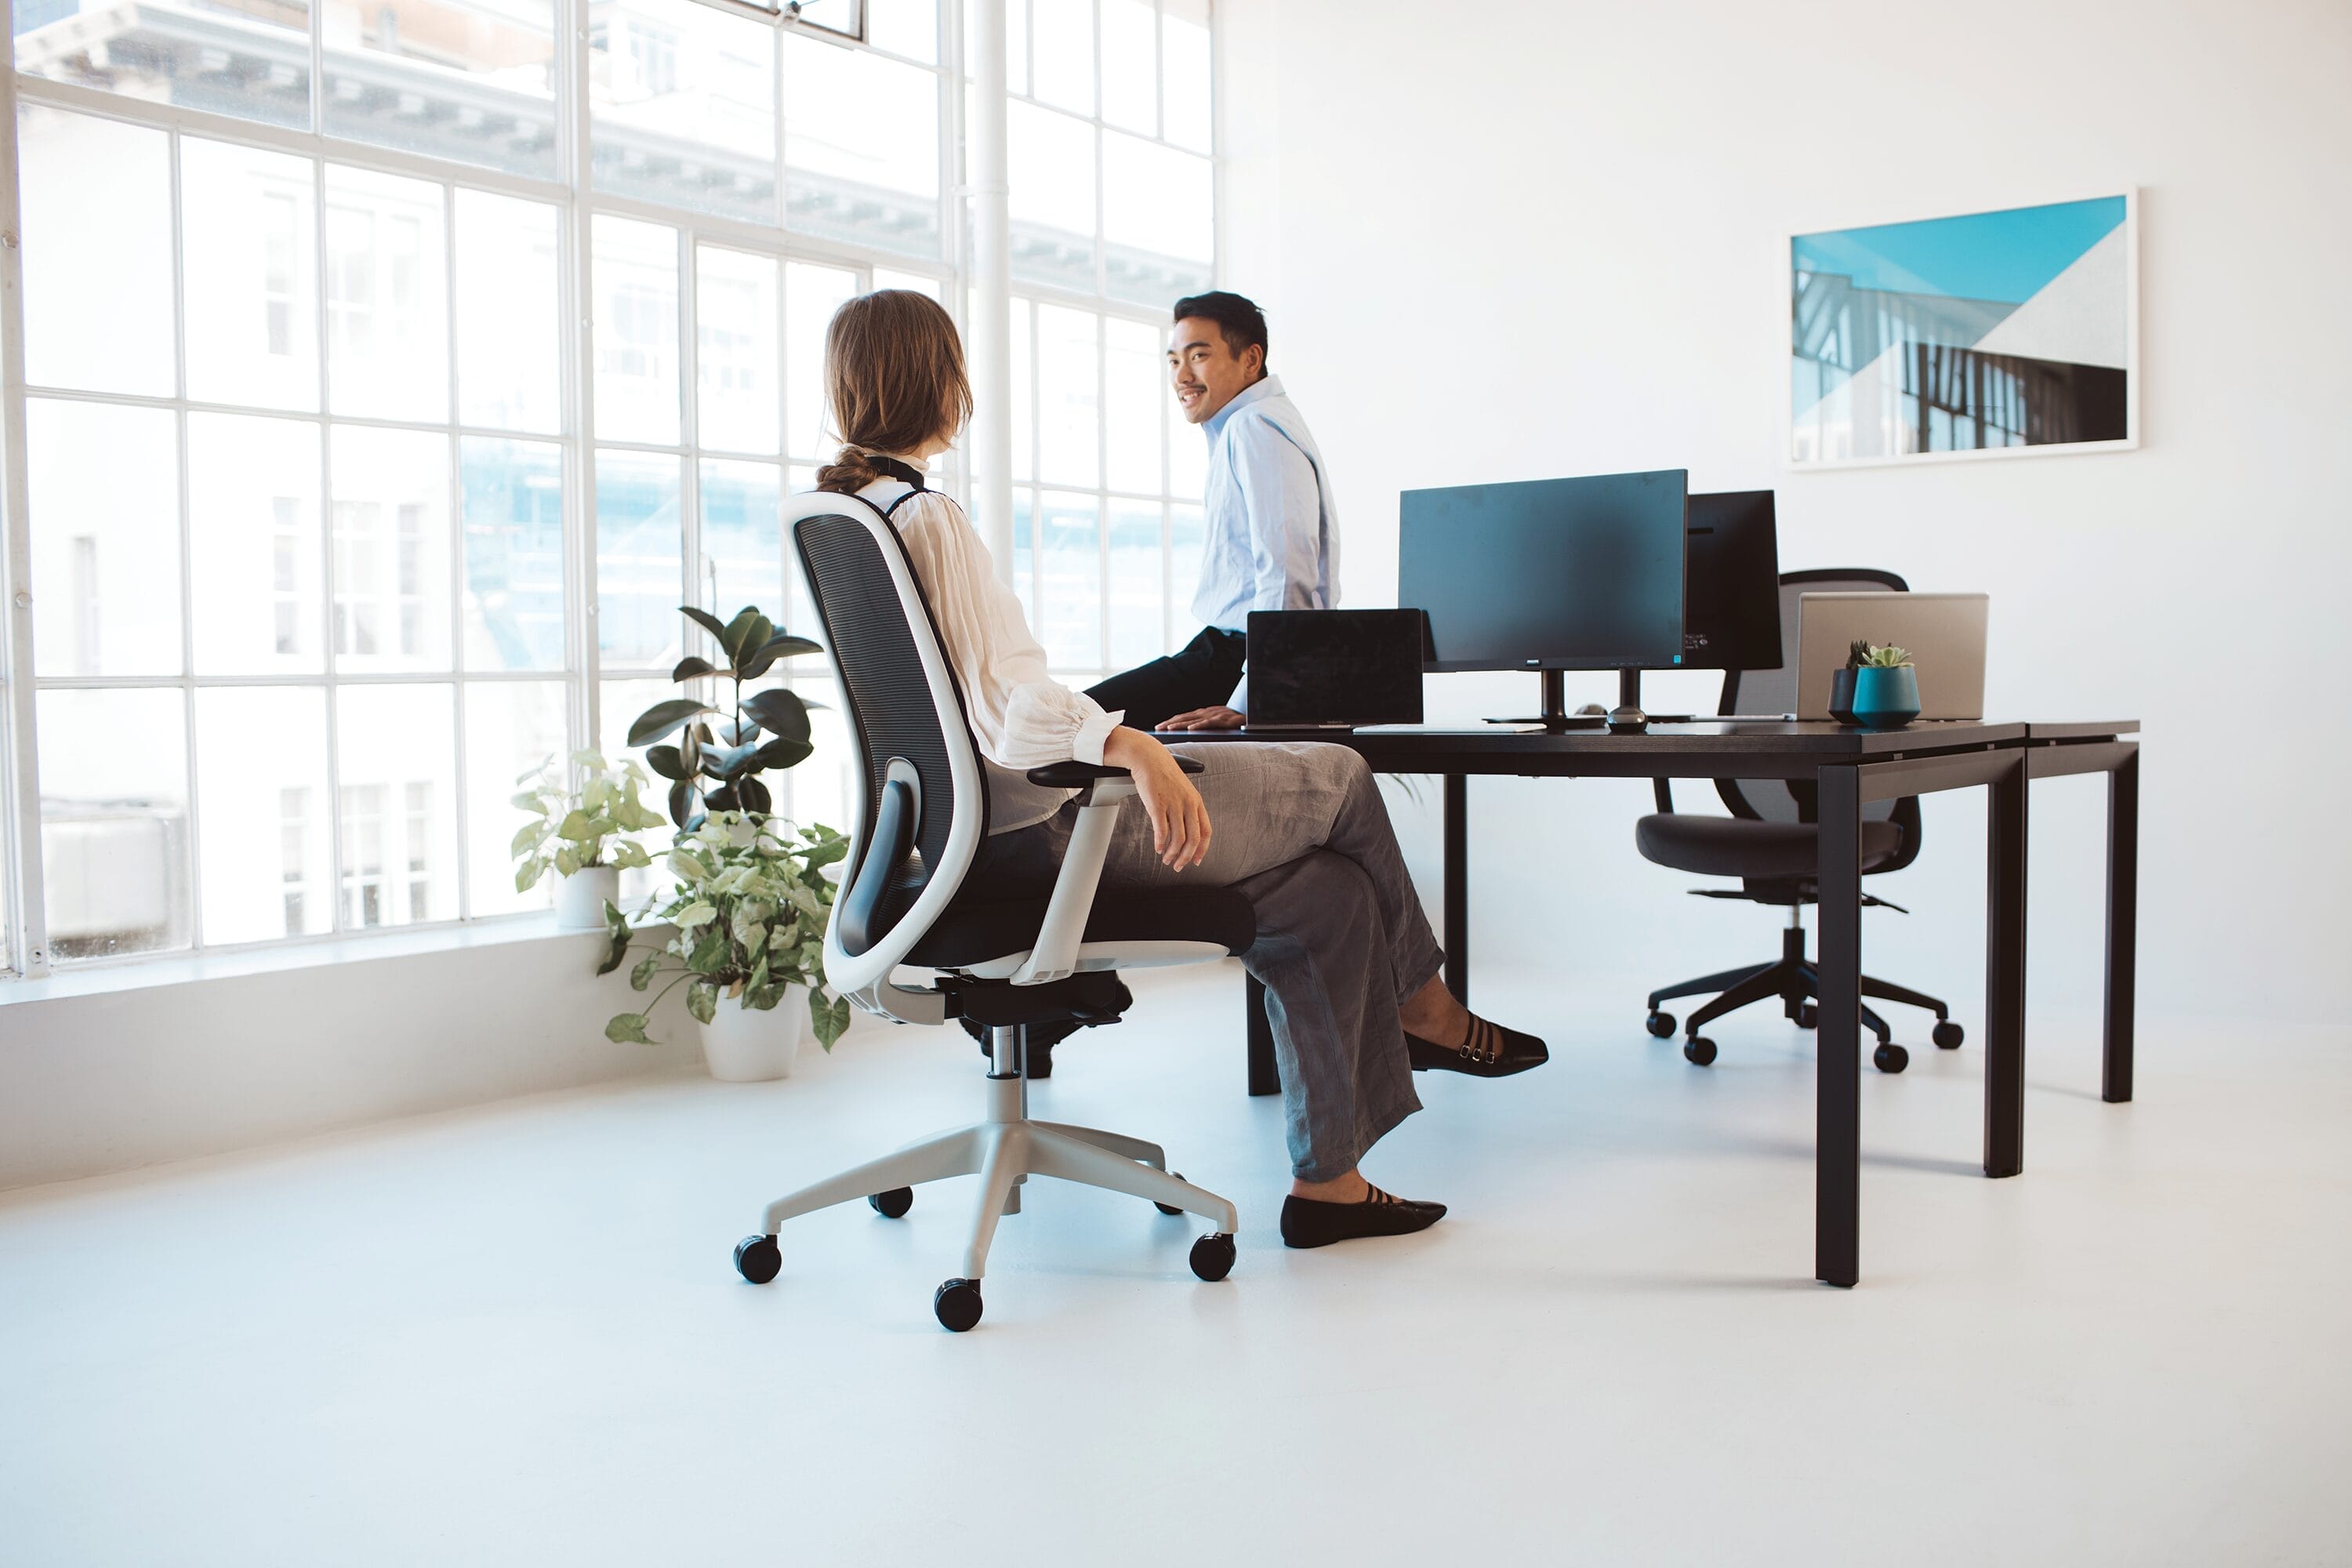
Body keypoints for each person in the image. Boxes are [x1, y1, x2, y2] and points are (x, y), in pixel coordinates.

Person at [811, 290, 1547, 1250]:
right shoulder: (926, 517)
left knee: (1324, 894)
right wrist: (1128, 743)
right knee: (1340, 773)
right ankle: (1427, 1005)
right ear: (940, 382)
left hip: (966, 839)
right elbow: (1004, 707)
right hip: (1039, 836)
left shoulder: (852, 514)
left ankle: (1329, 1183)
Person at [1083, 291, 1337, 733]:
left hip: (1245, 657)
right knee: (1075, 724)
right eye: (1173, 361)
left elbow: (1287, 570)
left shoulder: (1255, 425)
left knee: (1070, 726)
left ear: (1251, 359)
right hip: (1235, 652)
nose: (1182, 375)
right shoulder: (1246, 425)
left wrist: (1255, 698)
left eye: (1198, 356)